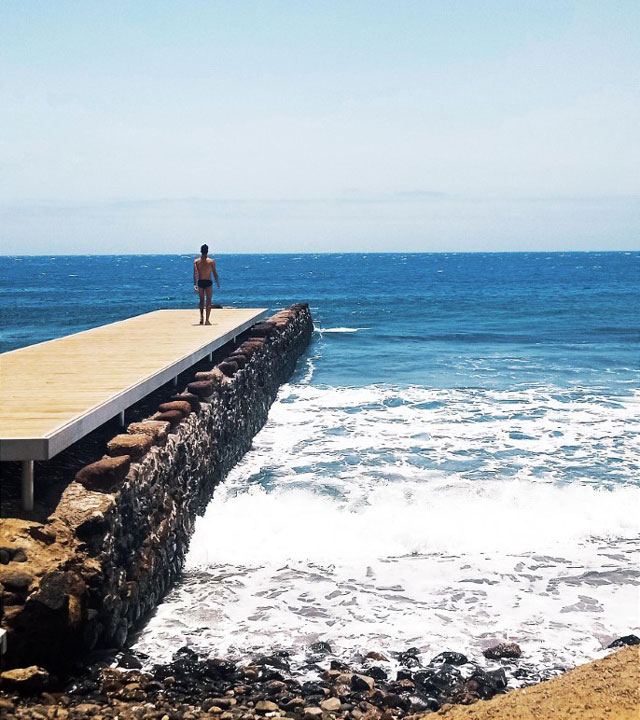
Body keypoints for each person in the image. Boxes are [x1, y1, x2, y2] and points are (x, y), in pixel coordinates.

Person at [193, 244, 220, 325]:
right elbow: (215, 273)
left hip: (200, 282)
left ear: (201, 251)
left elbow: (195, 274)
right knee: (208, 302)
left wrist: (195, 284)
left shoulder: (197, 261)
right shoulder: (211, 261)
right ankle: (207, 320)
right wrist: (217, 282)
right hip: (208, 282)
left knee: (201, 301)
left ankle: (201, 317)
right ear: (207, 251)